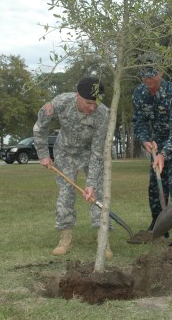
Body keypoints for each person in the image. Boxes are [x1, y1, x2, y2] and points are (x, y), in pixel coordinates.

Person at [33, 77, 112, 258]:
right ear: (78, 95)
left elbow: (98, 151)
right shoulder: (61, 102)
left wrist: (91, 183)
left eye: (95, 103)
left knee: (97, 194)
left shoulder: (103, 113)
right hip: (65, 153)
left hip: (90, 153)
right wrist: (43, 153)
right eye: (88, 103)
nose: (92, 108)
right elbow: (40, 127)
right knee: (65, 194)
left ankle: (103, 240)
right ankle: (65, 238)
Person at [132, 61, 172, 247]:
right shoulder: (140, 93)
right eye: (145, 76)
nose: (148, 80)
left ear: (160, 73)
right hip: (157, 145)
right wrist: (144, 140)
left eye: (152, 76)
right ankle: (158, 224)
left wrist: (165, 153)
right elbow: (139, 121)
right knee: (155, 186)